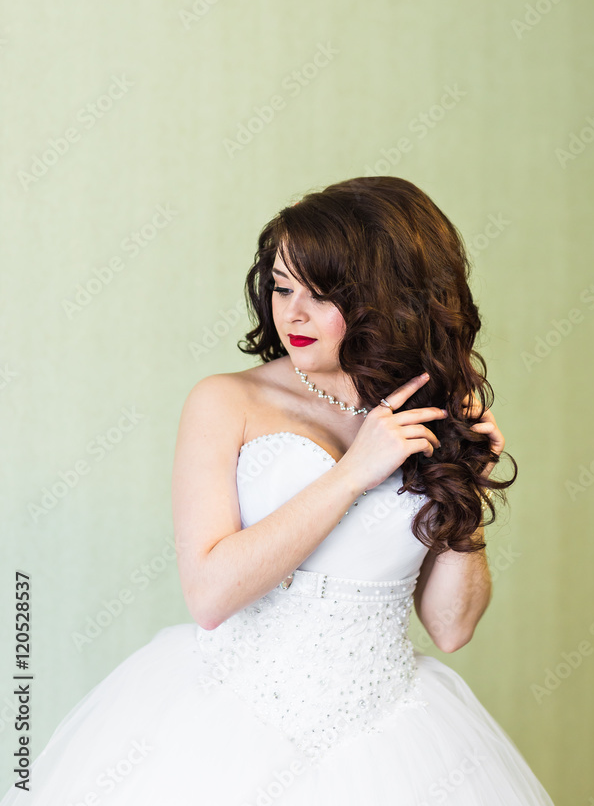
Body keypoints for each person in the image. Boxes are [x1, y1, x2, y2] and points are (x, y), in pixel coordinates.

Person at [1, 175, 556, 805]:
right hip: (227, 727)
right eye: (282, 287)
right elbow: (210, 595)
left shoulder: (427, 416)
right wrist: (354, 472)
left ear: (390, 299)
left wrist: (466, 482)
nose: (291, 313)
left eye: (322, 295)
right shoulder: (226, 401)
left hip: (389, 741)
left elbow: (451, 628)